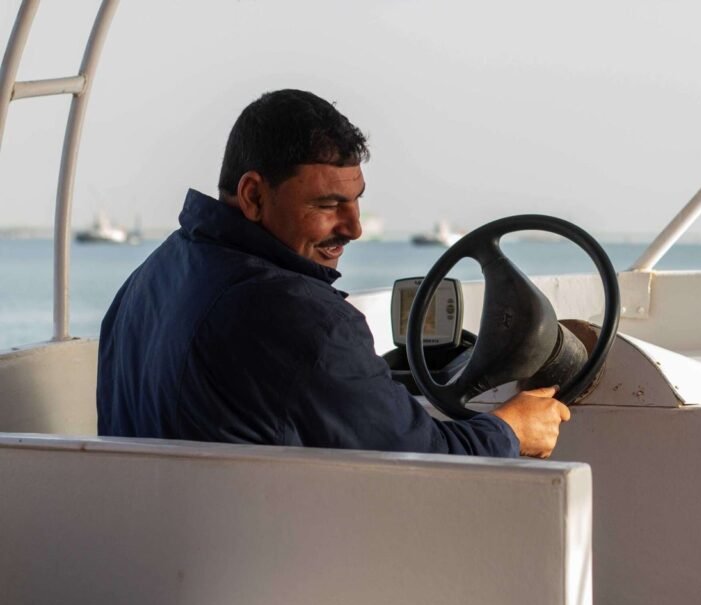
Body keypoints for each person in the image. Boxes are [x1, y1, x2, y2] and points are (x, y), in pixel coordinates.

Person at [97, 89, 569, 458]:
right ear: (254, 196)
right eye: (327, 205)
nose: (354, 227)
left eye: (356, 200)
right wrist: (510, 429)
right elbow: (424, 465)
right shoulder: (305, 322)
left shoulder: (145, 283)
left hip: (148, 545)